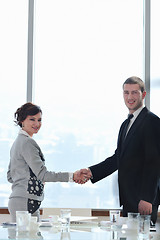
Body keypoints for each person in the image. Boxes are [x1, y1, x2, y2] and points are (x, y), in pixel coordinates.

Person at [78, 76, 160, 223]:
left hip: (143, 200)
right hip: (129, 197)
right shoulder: (125, 124)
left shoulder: (152, 121)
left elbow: (154, 162)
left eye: (134, 92)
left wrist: (147, 198)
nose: (130, 97)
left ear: (144, 94)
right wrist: (92, 172)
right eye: (126, 92)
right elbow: (118, 158)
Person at [7, 102, 87, 222]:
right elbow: (43, 174)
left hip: (23, 200)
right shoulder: (27, 143)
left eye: (39, 120)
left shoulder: (18, 142)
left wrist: (34, 180)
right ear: (22, 121)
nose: (37, 124)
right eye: (32, 119)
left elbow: (10, 176)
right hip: (24, 201)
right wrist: (72, 176)